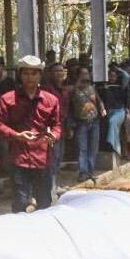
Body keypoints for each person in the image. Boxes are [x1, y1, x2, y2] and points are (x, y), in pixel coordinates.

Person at [0, 55, 61, 213]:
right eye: (26, 73)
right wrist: (17, 135)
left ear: (40, 75)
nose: (30, 77)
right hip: (19, 158)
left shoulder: (51, 100)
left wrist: (53, 136)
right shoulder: (7, 99)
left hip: (43, 158)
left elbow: (57, 125)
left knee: (45, 203)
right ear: (20, 75)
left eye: (34, 73)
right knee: (20, 202)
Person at [71, 66, 106, 182]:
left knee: (93, 148)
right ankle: (83, 172)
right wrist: (78, 81)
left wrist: (102, 108)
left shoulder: (92, 87)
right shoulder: (74, 89)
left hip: (94, 122)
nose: (86, 76)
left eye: (87, 73)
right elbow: (71, 97)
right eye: (83, 74)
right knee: (82, 149)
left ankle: (90, 172)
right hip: (82, 123)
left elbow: (99, 100)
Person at [42, 62, 71, 192]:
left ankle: (54, 185)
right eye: (56, 71)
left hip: (63, 128)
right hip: (51, 129)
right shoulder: (46, 90)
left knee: (59, 157)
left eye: (61, 71)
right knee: (52, 158)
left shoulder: (65, 90)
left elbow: (67, 110)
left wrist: (69, 127)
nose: (59, 73)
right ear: (50, 74)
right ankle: (50, 188)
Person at [101, 66, 128, 157]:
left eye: (113, 76)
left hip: (120, 111)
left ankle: (111, 144)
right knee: (114, 129)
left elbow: (126, 76)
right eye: (110, 76)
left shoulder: (121, 86)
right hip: (109, 112)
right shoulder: (104, 86)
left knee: (112, 122)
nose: (111, 78)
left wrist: (117, 69)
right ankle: (116, 149)